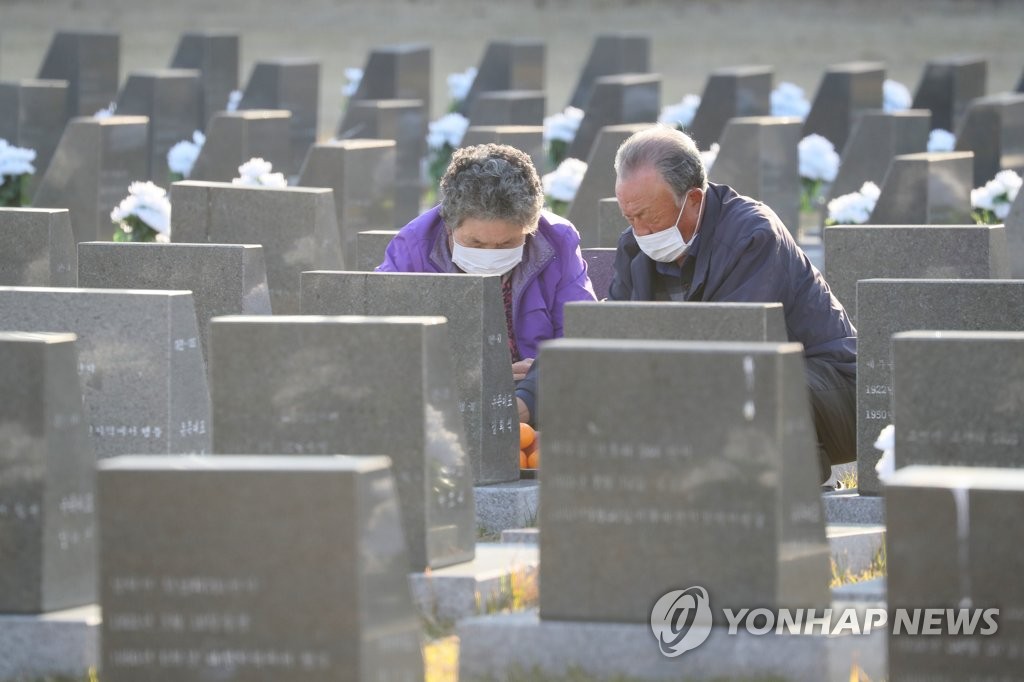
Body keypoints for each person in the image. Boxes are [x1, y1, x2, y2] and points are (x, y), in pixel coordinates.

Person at [609, 126, 856, 483]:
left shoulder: (751, 235)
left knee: (742, 382)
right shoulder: (635, 247)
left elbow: (731, 350)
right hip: (717, 391)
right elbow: (611, 332)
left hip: (826, 392)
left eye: (648, 216)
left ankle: (793, 482)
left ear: (693, 199)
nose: (640, 231)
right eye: (629, 218)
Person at [377, 143, 597, 424]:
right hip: (443, 411)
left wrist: (532, 394)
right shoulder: (412, 249)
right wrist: (483, 378)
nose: (490, 255)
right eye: (476, 243)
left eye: (507, 243)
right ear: (449, 223)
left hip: (541, 407)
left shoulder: (558, 241)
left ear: (530, 228)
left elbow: (580, 335)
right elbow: (391, 350)